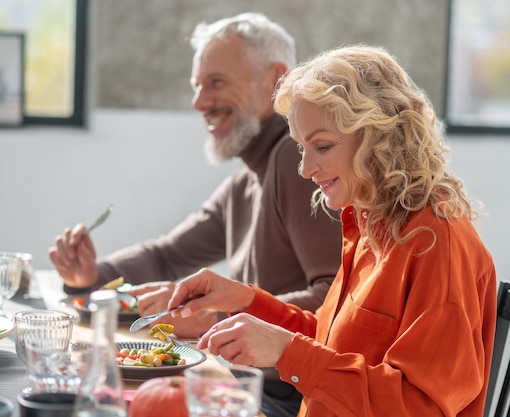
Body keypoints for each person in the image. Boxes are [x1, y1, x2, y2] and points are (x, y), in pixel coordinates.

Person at [166, 44, 498, 417]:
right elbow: (329, 338)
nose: (306, 169)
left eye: (322, 146)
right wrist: (245, 300)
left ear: (378, 138)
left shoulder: (436, 241)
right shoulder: (371, 221)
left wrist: (287, 352)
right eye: (302, 148)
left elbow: (422, 406)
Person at [48, 13, 342, 417]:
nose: (199, 102)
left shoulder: (294, 163)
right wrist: (90, 275)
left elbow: (334, 299)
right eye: (197, 86)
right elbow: (169, 255)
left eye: (216, 82)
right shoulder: (246, 182)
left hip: (290, 398)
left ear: (278, 81)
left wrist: (216, 317)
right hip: (250, 382)